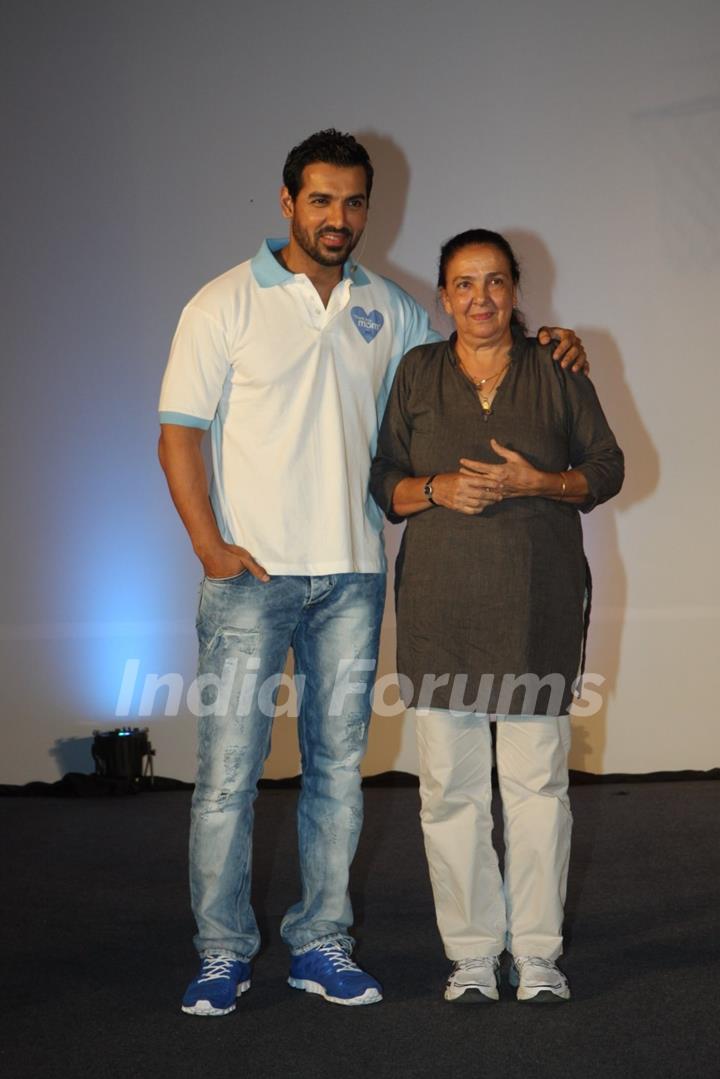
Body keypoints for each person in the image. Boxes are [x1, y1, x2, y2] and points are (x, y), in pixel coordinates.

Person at [158, 133, 587, 1017]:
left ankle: (321, 942)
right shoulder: (222, 303)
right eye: (321, 200)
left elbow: (475, 356)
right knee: (229, 778)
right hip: (249, 578)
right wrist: (210, 545)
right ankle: (221, 950)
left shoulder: (388, 309)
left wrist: (552, 342)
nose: (338, 218)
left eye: (353, 202)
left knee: (334, 774)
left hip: (351, 580)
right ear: (287, 202)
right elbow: (178, 432)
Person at [370, 228, 623, 1005]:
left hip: (535, 606)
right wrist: (438, 487)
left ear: (515, 290)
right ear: (444, 298)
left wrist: (539, 481)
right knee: (449, 790)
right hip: (441, 607)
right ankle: (475, 954)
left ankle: (539, 953)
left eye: (494, 282)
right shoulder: (416, 372)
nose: (480, 298)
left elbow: (606, 469)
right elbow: (385, 481)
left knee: (537, 786)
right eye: (463, 284)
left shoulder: (558, 367)